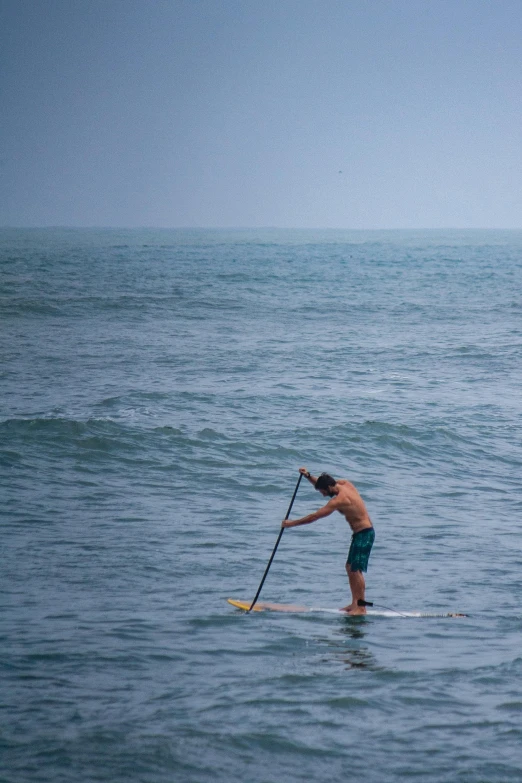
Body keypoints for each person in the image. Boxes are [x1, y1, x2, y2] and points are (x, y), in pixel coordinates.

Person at [282, 467, 375, 615]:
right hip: (360, 534)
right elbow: (321, 482)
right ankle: (354, 603)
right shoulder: (345, 484)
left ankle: (361, 607)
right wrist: (308, 476)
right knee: (350, 567)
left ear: (330, 487)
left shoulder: (340, 500)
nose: (323, 494)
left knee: (355, 570)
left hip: (365, 534)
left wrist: (291, 523)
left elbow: (314, 516)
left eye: (323, 492)